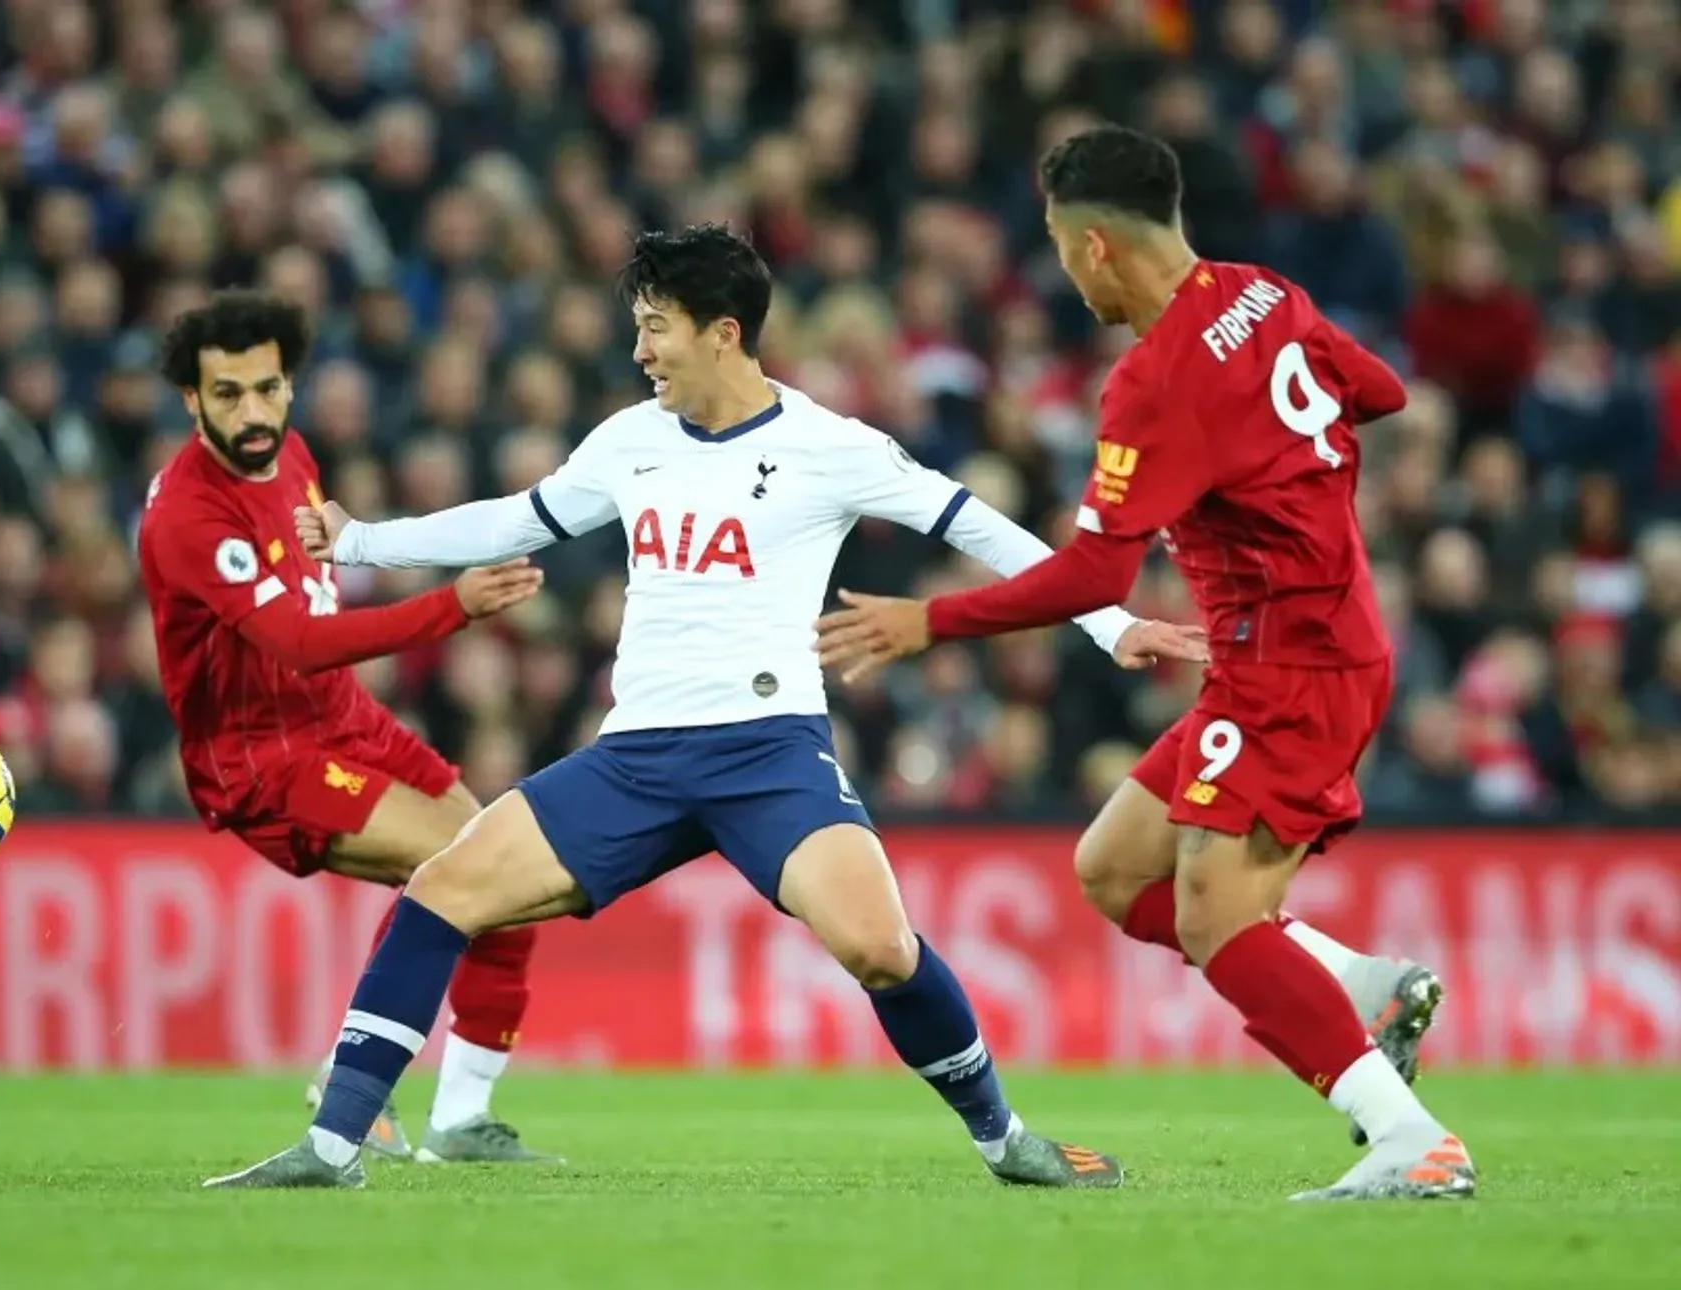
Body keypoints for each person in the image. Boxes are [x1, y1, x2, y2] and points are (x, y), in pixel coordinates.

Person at [203, 224, 1209, 1193]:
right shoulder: (629, 440)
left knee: (879, 949)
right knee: (440, 891)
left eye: (655, 326)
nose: (639, 349)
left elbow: (981, 528)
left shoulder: (830, 445)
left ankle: (1007, 1141)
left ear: (721, 331)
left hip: (769, 754)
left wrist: (1109, 626)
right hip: (634, 757)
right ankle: (331, 1145)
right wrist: (362, 541)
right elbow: (519, 519)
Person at [813, 126, 1474, 1201]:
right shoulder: (1265, 292)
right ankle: (1363, 984)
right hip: (1308, 643)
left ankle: (1409, 1139)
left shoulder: (1154, 379)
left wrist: (929, 622)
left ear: (1093, 249)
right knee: (1114, 869)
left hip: (1289, 661)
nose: (1064, 267)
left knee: (1215, 919)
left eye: (1059, 246)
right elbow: (1381, 392)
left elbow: (1092, 577)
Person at [137, 290, 561, 1164]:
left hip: (344, 722)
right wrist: (453, 604)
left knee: (511, 878)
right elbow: (293, 643)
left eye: (266, 387)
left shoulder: (290, 453)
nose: (252, 412)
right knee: (453, 868)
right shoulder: (189, 515)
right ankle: (349, 1082)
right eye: (227, 395)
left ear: (290, 381)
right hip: (262, 757)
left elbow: (314, 577)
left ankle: (460, 1120)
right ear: (192, 399)